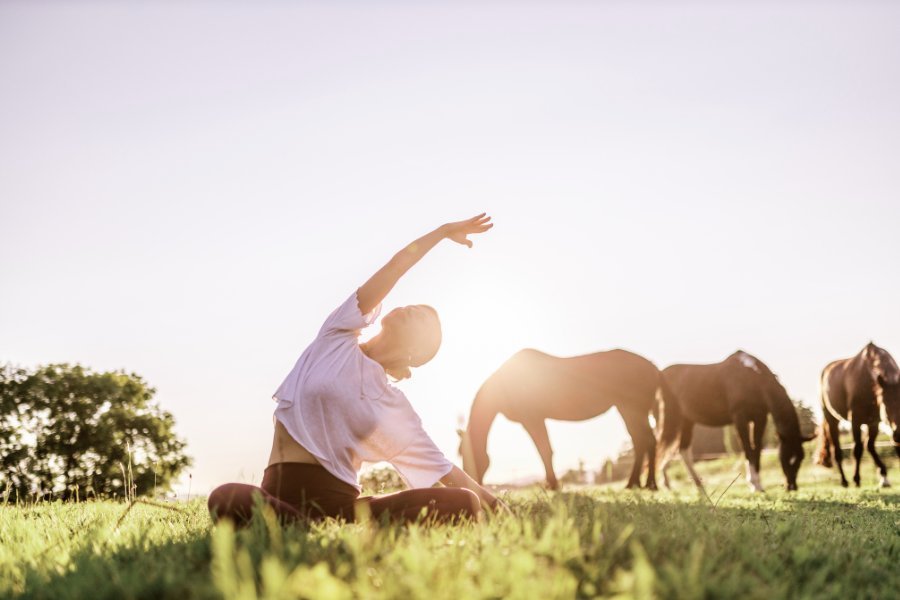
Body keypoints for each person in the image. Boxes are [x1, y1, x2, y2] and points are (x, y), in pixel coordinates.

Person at [208, 213, 503, 525]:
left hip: (343, 506)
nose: (411, 309)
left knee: (463, 502)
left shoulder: (392, 404)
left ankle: (306, 527)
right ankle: (305, 526)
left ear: (416, 354)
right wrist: (441, 232)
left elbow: (444, 469)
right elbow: (395, 268)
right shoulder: (337, 336)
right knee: (226, 496)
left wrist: (496, 507)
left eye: (422, 320)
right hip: (276, 496)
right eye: (415, 307)